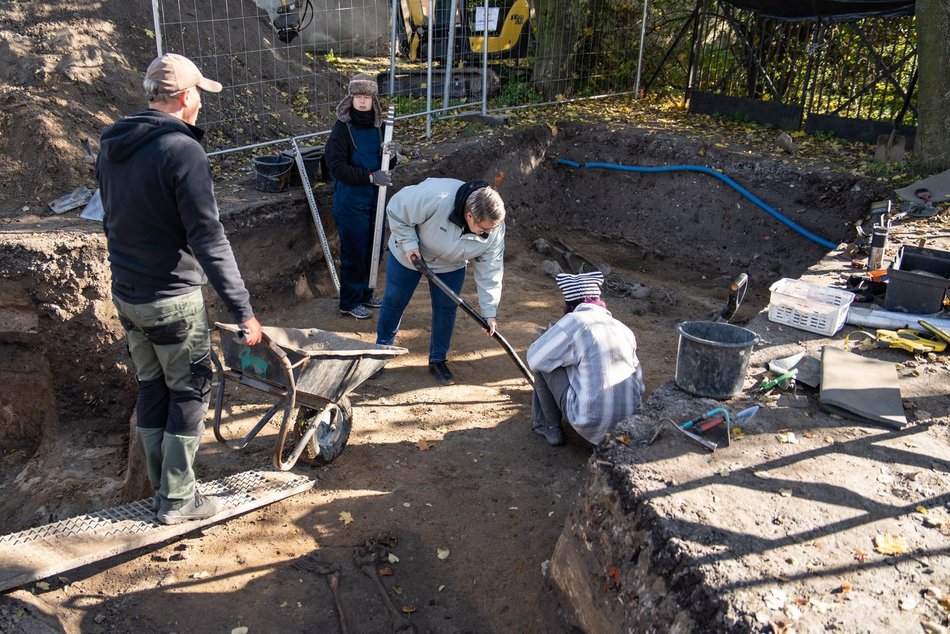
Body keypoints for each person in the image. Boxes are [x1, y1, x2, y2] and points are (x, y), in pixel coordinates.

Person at [96, 53, 263, 525]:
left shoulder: (113, 146)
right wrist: (243, 311)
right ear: (187, 97)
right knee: (191, 389)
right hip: (170, 299)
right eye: (199, 98)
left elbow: (112, 220)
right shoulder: (182, 150)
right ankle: (177, 501)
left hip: (128, 293)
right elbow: (208, 238)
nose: (200, 108)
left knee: (153, 387)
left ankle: (159, 488)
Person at [376, 177, 506, 386]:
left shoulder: (493, 225)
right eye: (484, 229)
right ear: (470, 216)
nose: (488, 233)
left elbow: (491, 267)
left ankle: (438, 359)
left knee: (446, 309)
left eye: (492, 229)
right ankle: (380, 353)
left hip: (450, 264)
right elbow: (397, 210)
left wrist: (489, 311)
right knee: (395, 300)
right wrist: (409, 244)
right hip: (409, 255)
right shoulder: (435, 197)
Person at [526, 271, 645, 446]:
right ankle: (601, 437)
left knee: (544, 364)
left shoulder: (575, 321)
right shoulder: (623, 328)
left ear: (570, 303)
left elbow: (534, 359)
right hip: (626, 428)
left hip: (589, 422)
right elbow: (639, 383)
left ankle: (549, 427)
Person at [325, 73, 393, 320]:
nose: (362, 102)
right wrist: (369, 177)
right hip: (351, 199)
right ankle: (349, 302)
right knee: (354, 251)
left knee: (372, 248)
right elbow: (336, 166)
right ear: (350, 99)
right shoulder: (342, 129)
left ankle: (365, 293)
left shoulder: (381, 128)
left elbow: (386, 164)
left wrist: (392, 155)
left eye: (366, 97)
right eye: (357, 97)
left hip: (376, 198)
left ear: (373, 99)